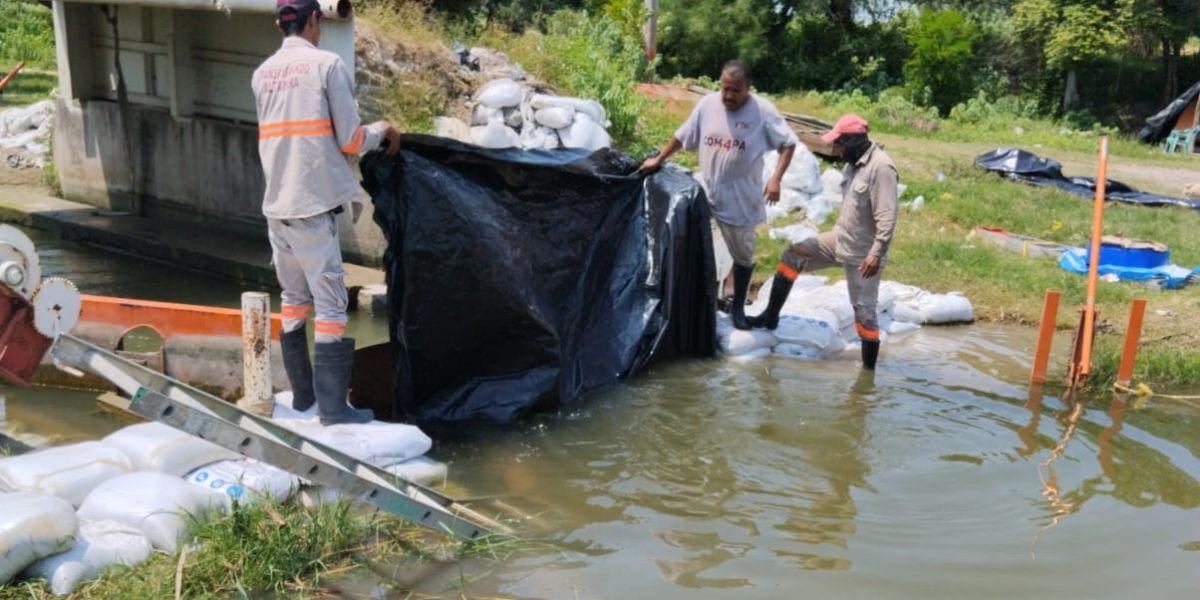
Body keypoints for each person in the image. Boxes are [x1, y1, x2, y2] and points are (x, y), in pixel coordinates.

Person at [252, 0, 400, 424]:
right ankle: (334, 411)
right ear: (314, 20)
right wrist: (385, 130)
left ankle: (304, 400)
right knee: (332, 306)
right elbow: (352, 140)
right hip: (311, 207)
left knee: (294, 300)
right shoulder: (327, 66)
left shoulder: (262, 74)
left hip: (276, 208)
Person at [639, 60, 798, 330]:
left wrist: (775, 179)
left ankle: (737, 306)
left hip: (739, 197)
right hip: (707, 188)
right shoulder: (708, 104)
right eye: (724, 88)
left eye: (735, 90)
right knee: (681, 232)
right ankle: (684, 295)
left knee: (743, 254)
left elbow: (788, 143)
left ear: (748, 88)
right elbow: (682, 135)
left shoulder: (762, 111)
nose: (728, 96)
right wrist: (660, 158)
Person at [749, 114, 898, 370]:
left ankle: (867, 376)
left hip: (864, 255)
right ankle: (770, 316)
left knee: (865, 317)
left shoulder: (881, 168)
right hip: (840, 239)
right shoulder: (853, 163)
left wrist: (876, 253)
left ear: (855, 140)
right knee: (793, 256)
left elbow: (887, 216)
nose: (836, 149)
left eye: (840, 144)